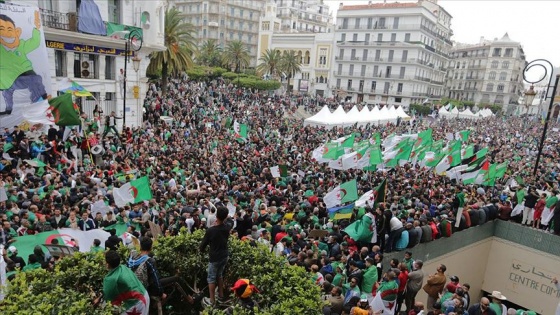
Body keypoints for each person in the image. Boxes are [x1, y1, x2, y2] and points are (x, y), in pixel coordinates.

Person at [0, 11, 48, 116]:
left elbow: (34, 42)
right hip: (9, 79)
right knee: (6, 92)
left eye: (9, 30)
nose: (7, 34)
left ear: (17, 32)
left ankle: (39, 102)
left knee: (35, 80)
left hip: (27, 75)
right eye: (1, 30)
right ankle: (8, 109)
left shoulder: (21, 45)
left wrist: (36, 27)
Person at [97, 250, 149, 315]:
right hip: (144, 294)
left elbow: (108, 297)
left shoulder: (111, 279)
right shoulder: (123, 267)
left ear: (107, 264)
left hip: (137, 303)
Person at [199, 206, 230, 305]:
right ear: (225, 217)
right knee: (219, 275)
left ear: (216, 216)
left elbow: (202, 245)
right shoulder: (227, 228)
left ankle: (212, 301)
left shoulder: (211, 231)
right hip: (224, 256)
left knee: (211, 278)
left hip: (215, 258)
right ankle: (221, 296)